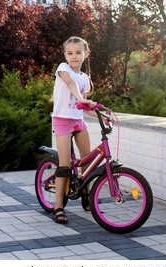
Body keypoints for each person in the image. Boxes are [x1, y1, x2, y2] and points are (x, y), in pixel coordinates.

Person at [50, 36, 97, 224]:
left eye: (78, 52)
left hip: (78, 121)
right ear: (65, 55)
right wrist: (79, 98)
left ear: (85, 54)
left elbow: (84, 105)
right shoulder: (63, 69)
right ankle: (58, 206)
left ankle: (86, 194)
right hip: (62, 121)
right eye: (70, 53)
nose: (74, 56)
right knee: (64, 166)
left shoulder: (85, 78)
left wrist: (103, 115)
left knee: (87, 160)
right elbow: (71, 85)